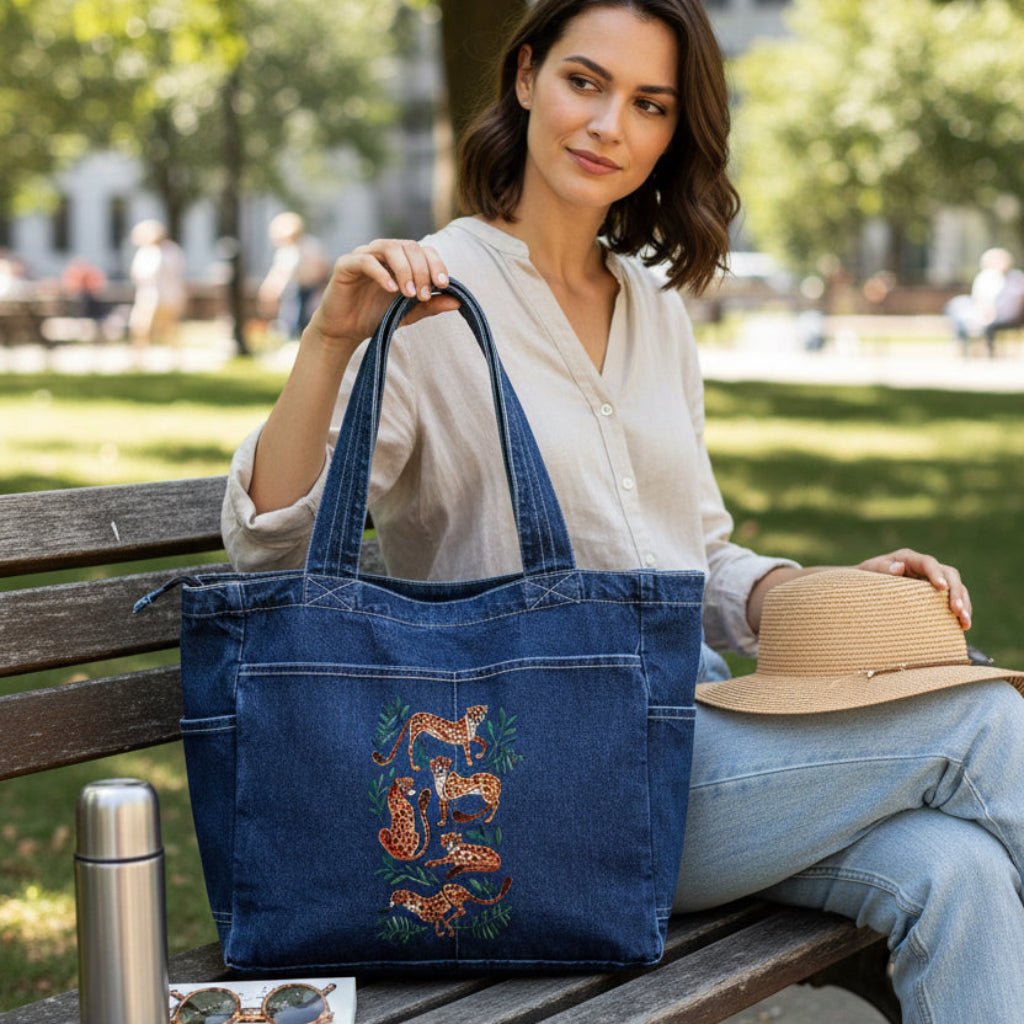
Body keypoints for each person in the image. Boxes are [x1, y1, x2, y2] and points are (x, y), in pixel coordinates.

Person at [222, 2, 1024, 1020]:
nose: (608, 126)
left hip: (698, 743)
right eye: (584, 82)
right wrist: (331, 341)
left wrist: (812, 593)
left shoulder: (652, 306)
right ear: (524, 77)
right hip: (541, 782)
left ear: (670, 134)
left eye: (648, 105)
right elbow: (265, 551)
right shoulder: (431, 301)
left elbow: (700, 552)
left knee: (950, 870)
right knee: (985, 720)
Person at [258, 212, 330, 339]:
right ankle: (293, 333)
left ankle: (299, 335)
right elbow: (279, 273)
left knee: (305, 312)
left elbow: (321, 267)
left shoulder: (308, 246)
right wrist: (270, 289)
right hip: (296, 287)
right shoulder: (287, 251)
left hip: (311, 287)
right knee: (292, 311)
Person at [947, 247, 1024, 357]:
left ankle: (975, 349)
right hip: (988, 313)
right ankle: (964, 347)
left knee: (966, 314)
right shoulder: (987, 278)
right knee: (957, 308)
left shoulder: (1016, 278)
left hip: (1005, 315)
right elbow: (980, 299)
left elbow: (1013, 303)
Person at [129, 219, 187, 346]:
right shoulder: (146, 252)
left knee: (169, 326)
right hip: (149, 294)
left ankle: (173, 355)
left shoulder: (170, 251)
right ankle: (141, 354)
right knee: (142, 326)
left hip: (166, 294)